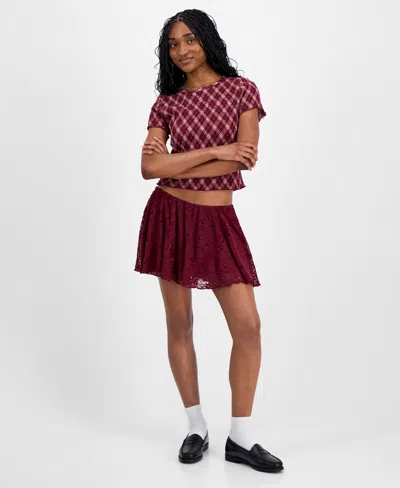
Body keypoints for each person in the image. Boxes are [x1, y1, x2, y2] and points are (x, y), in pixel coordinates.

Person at [134, 9, 284, 473]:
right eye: (172, 44)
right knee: (180, 324)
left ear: (207, 40)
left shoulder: (242, 91)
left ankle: (241, 437)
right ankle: (195, 426)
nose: (181, 50)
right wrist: (217, 149)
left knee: (248, 327)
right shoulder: (167, 103)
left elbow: (243, 160)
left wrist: (179, 161)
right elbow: (150, 169)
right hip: (169, 216)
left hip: (218, 221)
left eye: (189, 39)